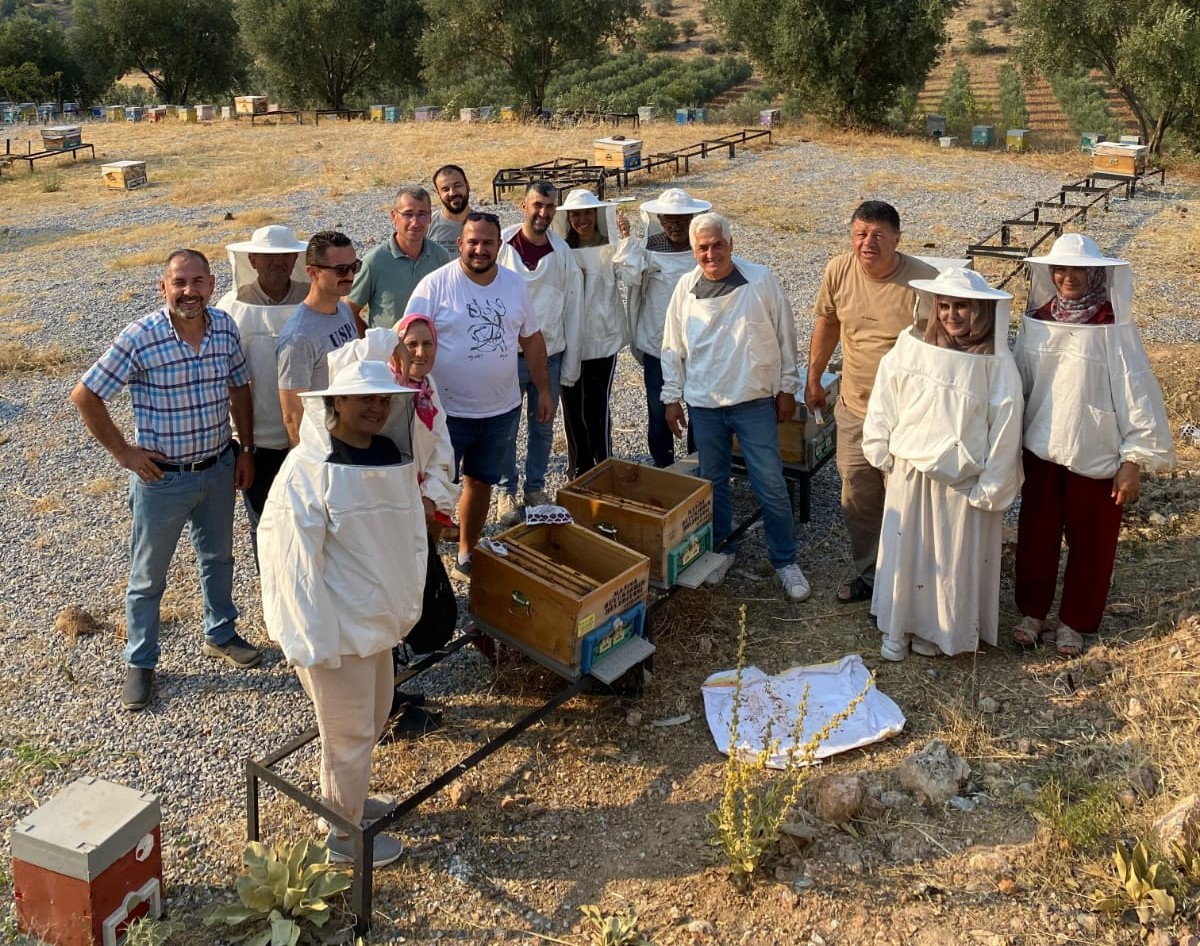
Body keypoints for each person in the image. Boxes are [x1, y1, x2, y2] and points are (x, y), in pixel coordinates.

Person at [258, 332, 423, 867]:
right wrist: (309, 637)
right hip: (336, 630)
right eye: (363, 399)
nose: (376, 408)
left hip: (375, 621)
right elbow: (288, 560)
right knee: (348, 734)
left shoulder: (384, 454)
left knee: (371, 720)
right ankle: (344, 838)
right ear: (335, 403)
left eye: (382, 399)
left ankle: (345, 803)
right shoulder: (307, 471)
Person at [70, 249, 260, 712]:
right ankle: (141, 661)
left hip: (216, 469)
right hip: (161, 481)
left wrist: (246, 449)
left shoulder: (225, 329)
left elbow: (239, 388)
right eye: (179, 282)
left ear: (211, 286)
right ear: (163, 287)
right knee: (148, 576)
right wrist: (123, 452)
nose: (188, 291)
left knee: (217, 558)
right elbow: (86, 394)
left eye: (197, 282)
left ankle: (219, 633)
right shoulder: (142, 336)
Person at [1012, 233, 1173, 656]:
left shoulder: (1112, 326)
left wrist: (1133, 458)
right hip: (1041, 449)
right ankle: (1033, 612)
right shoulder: (1037, 320)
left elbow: (1136, 391)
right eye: (1060, 269)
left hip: (1096, 450)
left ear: (1095, 275)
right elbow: (1020, 384)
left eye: (1077, 270)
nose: (1067, 277)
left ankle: (1075, 621)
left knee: (1092, 541)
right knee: (1036, 534)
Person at [862, 268, 1023, 660]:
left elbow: (1006, 424)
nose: (952, 315)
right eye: (945, 306)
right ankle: (898, 628)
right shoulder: (911, 345)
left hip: (962, 482)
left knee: (951, 560)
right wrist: (879, 445)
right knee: (908, 551)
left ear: (981, 311)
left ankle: (939, 633)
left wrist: (993, 484)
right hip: (912, 471)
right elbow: (886, 395)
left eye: (962, 306)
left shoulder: (996, 362)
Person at [660, 213, 810, 600]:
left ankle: (785, 560)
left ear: (731, 244)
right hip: (705, 404)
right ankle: (724, 547)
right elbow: (673, 345)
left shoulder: (760, 280)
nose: (711, 254)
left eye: (717, 245)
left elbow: (785, 334)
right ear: (694, 252)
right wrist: (671, 396)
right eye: (703, 248)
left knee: (771, 483)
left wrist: (787, 388)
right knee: (714, 482)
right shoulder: (684, 288)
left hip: (753, 400)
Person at [404, 212, 552, 580]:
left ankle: (467, 552)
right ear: (459, 244)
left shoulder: (515, 285)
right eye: (473, 242)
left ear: (499, 246)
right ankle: (426, 567)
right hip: (444, 413)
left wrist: (545, 390)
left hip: (501, 409)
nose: (480, 250)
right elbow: (406, 341)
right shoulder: (434, 286)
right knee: (435, 489)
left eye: (488, 242)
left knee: (480, 481)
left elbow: (531, 339)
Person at [807, 201, 938, 604]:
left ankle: (913, 582)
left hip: (908, 417)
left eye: (879, 235)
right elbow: (828, 323)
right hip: (855, 408)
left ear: (897, 239)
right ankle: (871, 574)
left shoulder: (925, 281)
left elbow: (944, 348)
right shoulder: (838, 270)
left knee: (909, 501)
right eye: (861, 234)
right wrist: (814, 378)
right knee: (858, 498)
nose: (868, 243)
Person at [217, 225, 309, 556]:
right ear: (252, 260)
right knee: (266, 521)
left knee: (311, 518)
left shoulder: (316, 301)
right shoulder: (230, 308)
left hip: (309, 435)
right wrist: (244, 446)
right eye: (268, 257)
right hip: (258, 440)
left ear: (296, 257)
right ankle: (272, 593)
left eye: (284, 255)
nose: (277, 263)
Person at [495, 181, 583, 524]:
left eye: (549, 207)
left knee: (543, 425)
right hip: (508, 354)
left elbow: (572, 308)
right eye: (537, 205)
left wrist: (570, 362)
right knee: (506, 427)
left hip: (550, 355)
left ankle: (534, 487)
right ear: (523, 205)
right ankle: (505, 491)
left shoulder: (561, 253)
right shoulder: (502, 245)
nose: (543, 213)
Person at [615, 187, 712, 467]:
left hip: (698, 343)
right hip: (658, 344)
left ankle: (700, 468)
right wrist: (626, 241)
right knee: (659, 411)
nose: (675, 224)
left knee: (701, 408)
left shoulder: (704, 250)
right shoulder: (650, 248)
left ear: (693, 218)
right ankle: (664, 469)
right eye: (669, 218)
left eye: (681, 218)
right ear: (659, 217)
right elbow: (630, 276)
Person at [551, 188, 630, 477]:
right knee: (571, 408)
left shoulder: (611, 247)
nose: (582, 219)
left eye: (587, 213)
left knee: (597, 406)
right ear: (568, 218)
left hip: (602, 339)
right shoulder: (561, 250)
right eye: (576, 214)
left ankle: (603, 463)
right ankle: (579, 468)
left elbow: (632, 273)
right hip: (568, 340)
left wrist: (627, 240)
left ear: (597, 215)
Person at [277, 231, 360, 447]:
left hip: (350, 438)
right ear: (312, 272)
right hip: (323, 449)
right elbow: (293, 417)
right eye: (341, 269)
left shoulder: (343, 309)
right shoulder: (298, 337)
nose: (350, 275)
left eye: (354, 267)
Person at [347, 185, 451, 333]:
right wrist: (372, 343)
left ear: (430, 217)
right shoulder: (374, 262)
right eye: (408, 214)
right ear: (394, 216)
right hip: (389, 353)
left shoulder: (441, 257)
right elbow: (349, 310)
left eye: (422, 214)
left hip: (431, 351)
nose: (415, 222)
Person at [428, 165, 473, 255]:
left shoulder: (485, 224)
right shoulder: (427, 225)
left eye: (457, 186)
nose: (452, 193)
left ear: (467, 186)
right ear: (438, 193)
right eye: (445, 189)